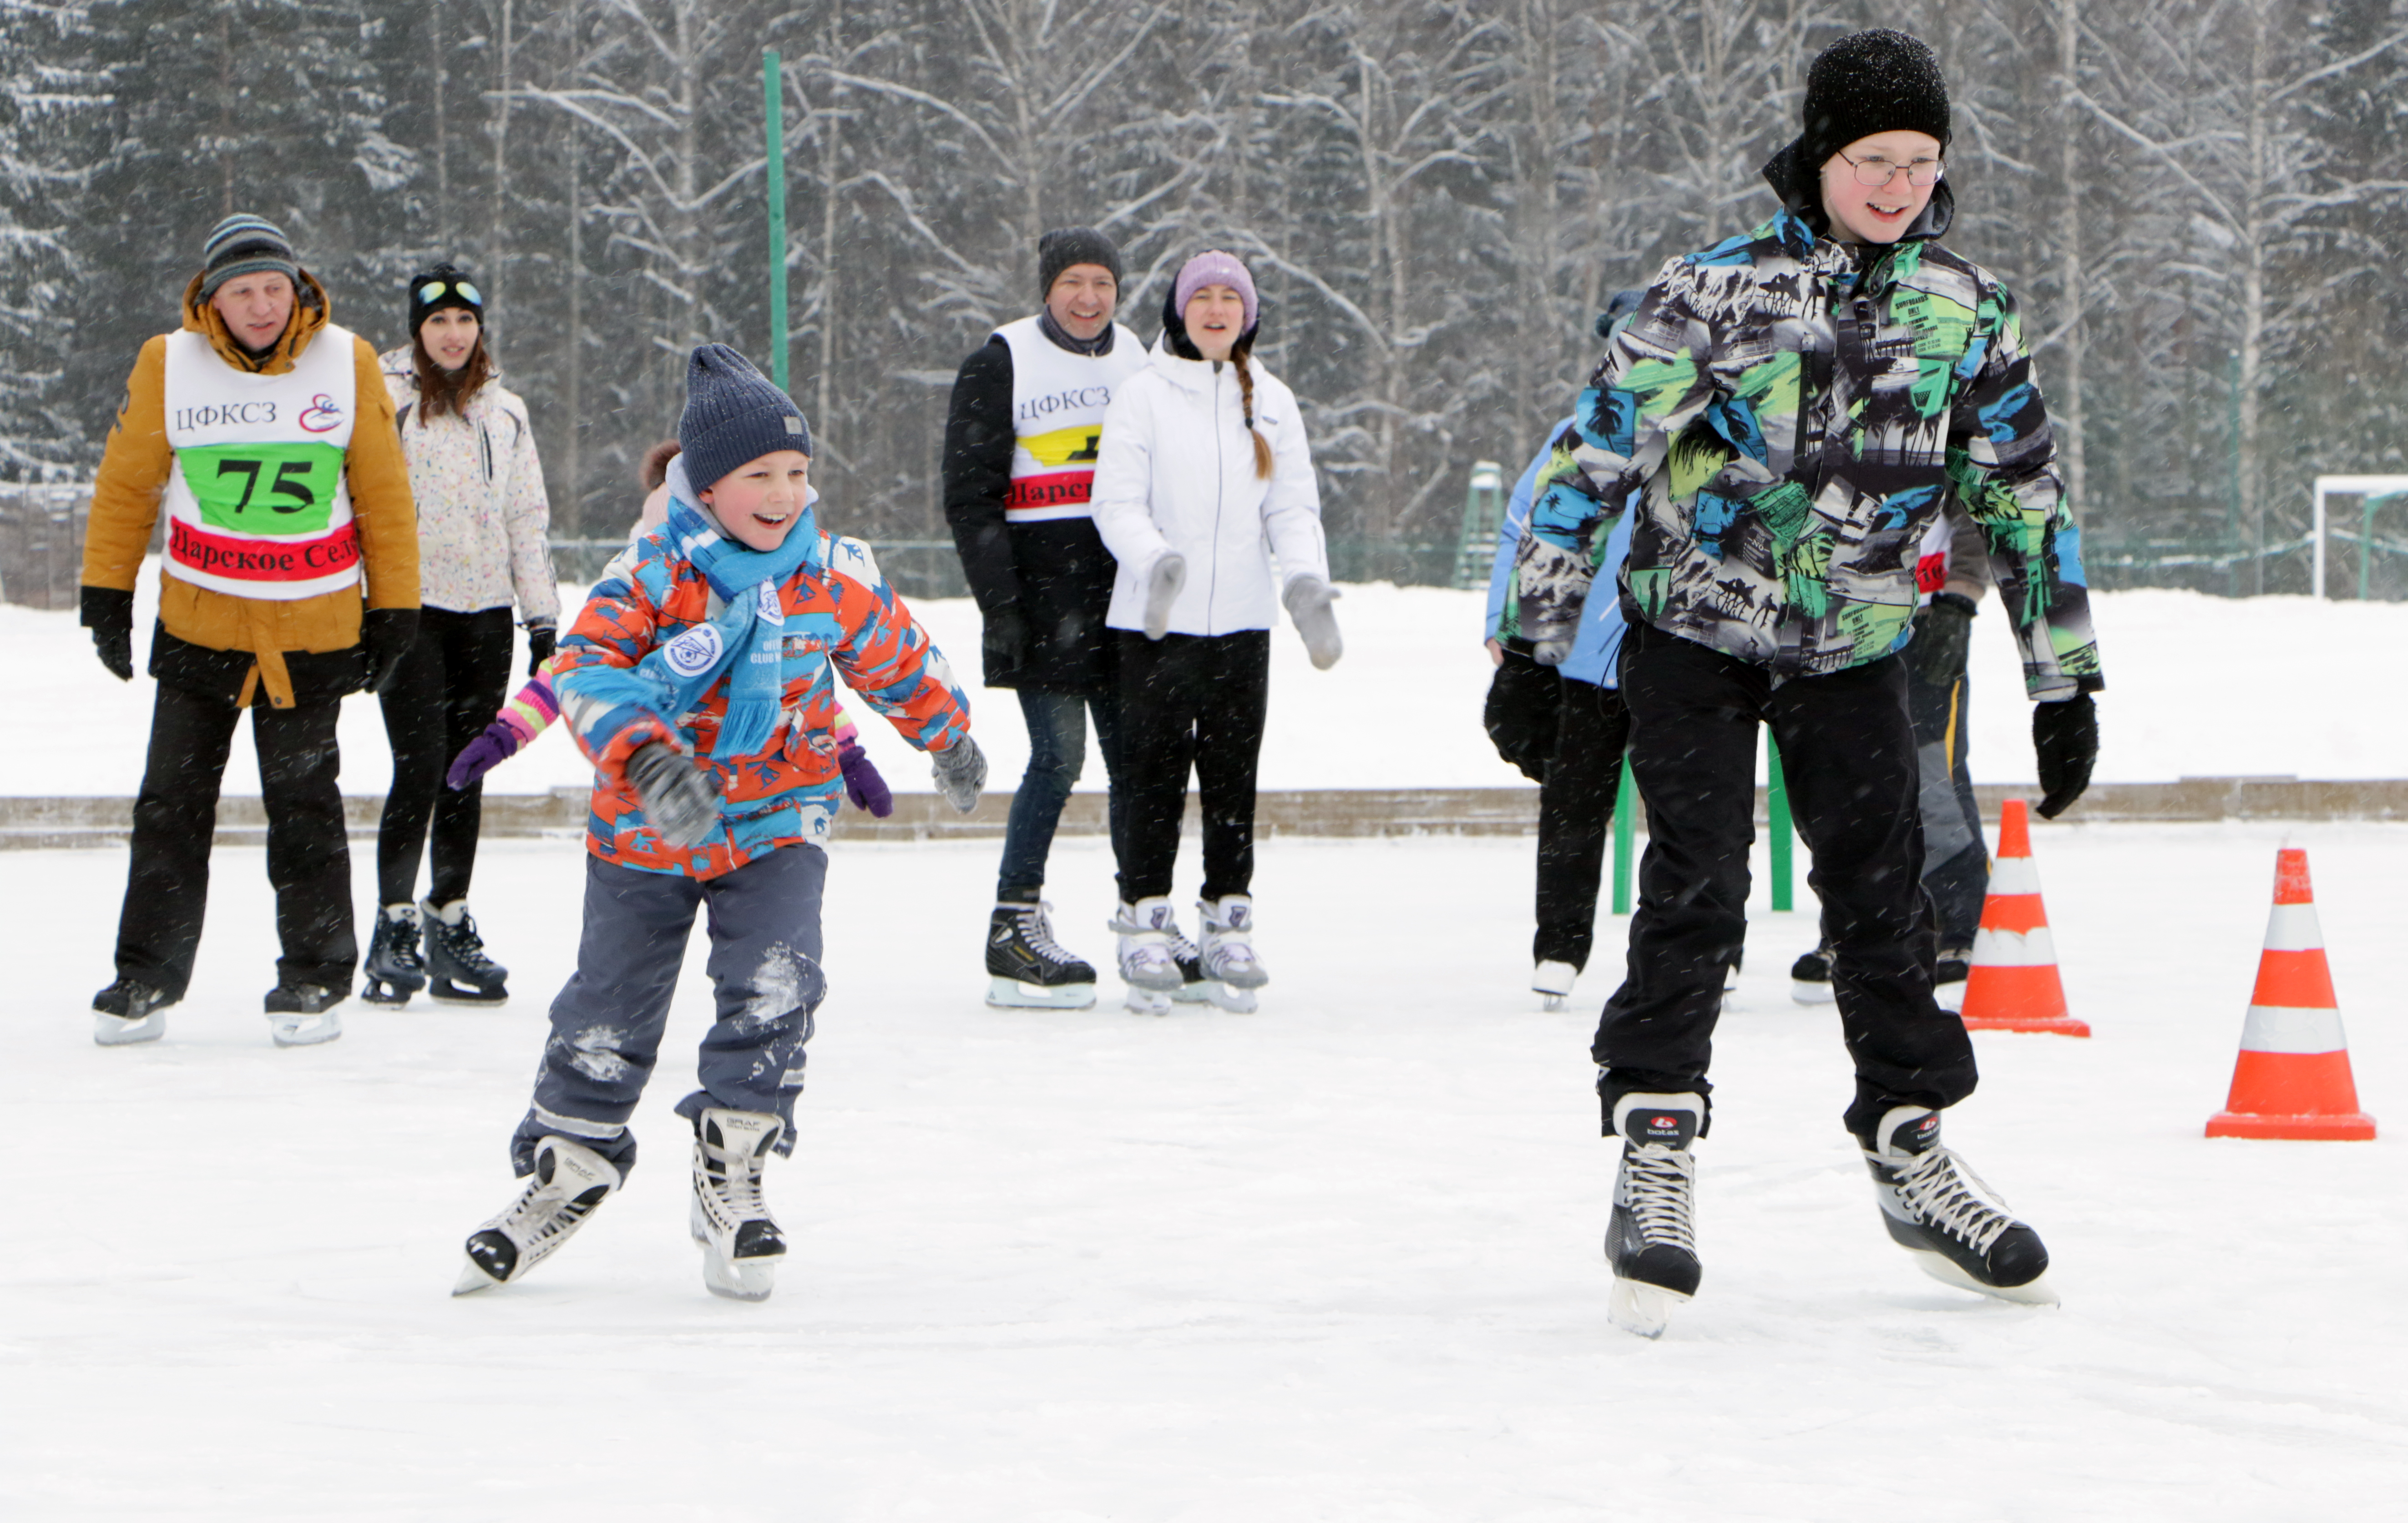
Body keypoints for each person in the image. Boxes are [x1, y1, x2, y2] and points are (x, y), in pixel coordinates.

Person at [1514, 30, 2101, 1335]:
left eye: (1919, 162)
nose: (1897, 185)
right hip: (1694, 634)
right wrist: (1532, 646)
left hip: (1855, 645)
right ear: (1818, 156)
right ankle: (1654, 1148)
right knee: (1697, 881)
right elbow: (1591, 459)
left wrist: (2061, 678)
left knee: (1880, 896)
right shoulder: (1710, 293)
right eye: (1870, 160)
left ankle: (1909, 1145)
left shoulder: (1962, 305)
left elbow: (2022, 493)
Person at [454, 345, 982, 1301]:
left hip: (780, 815)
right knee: (608, 1006)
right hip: (648, 829)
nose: (785, 493)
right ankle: (569, 1167)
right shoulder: (653, 576)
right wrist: (651, 758)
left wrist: (947, 737)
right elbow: (583, 671)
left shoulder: (830, 573)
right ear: (705, 484)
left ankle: (733, 1166)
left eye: (797, 472)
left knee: (778, 984)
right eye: (759, 476)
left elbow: (897, 656)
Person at [78, 213, 420, 1049]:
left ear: (297, 288)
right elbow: (128, 486)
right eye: (243, 291)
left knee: (304, 803)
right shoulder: (170, 362)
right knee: (170, 803)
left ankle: (313, 975)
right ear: (212, 299)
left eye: (275, 288)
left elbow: (382, 492)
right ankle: (144, 975)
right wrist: (105, 593)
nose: (262, 306)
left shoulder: (348, 358)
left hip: (314, 626)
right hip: (202, 623)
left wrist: (396, 606)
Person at [1088, 250, 1342, 1014]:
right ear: (1179, 311)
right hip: (1155, 622)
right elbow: (1116, 502)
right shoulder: (1142, 396)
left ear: (1249, 316)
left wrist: (1301, 579)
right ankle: (1144, 919)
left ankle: (1228, 916)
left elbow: (1291, 507)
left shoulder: (1271, 400)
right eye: (1203, 295)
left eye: (1232, 297)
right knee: (1152, 776)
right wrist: (1154, 560)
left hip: (1239, 620)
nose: (1217, 307)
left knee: (1232, 777)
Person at [442, 437, 894, 821]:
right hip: (652, 809)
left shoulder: (758, 609)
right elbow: (571, 675)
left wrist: (848, 752)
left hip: (751, 809)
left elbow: (799, 688)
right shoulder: (641, 600)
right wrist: (506, 734)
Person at [942, 228, 1147, 1010]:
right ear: (1046, 288)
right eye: (1073, 282)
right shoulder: (1001, 360)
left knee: (1137, 763)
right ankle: (1013, 924)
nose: (1088, 298)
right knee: (1059, 759)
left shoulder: (1142, 358)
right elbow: (970, 495)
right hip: (1042, 598)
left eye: (1102, 282)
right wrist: (1001, 603)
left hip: (1128, 600)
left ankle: (1144, 917)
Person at [359, 263, 558, 1007]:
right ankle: (394, 923)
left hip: (485, 615)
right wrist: (367, 608)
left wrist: (541, 618)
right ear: (417, 328)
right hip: (410, 610)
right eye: (438, 320)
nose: (452, 334)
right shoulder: (385, 402)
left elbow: (525, 517)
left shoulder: (505, 412)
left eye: (464, 321)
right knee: (419, 766)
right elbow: (360, 509)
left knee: (467, 768)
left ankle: (450, 917)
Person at [1483, 295, 1643, 1012]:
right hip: (1582, 659)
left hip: (1682, 658)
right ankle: (1560, 947)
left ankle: (1712, 946)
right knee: (1573, 806)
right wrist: (1507, 625)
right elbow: (1524, 527)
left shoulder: (1710, 437)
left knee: (1691, 811)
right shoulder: (1574, 437)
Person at [1791, 499, 1994, 1007]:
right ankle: (1851, 926)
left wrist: (1960, 598)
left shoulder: (1944, 424)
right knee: (1848, 780)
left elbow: (1980, 506)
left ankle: (1958, 925)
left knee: (1932, 775)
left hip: (1927, 620)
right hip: (1843, 622)